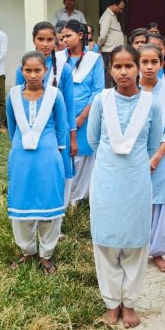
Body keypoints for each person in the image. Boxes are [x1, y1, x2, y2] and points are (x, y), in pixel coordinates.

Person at [87, 45, 162, 328]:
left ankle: (129, 303)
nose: (123, 72)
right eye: (117, 67)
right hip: (107, 177)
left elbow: (153, 143)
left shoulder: (150, 103)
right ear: (110, 71)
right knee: (106, 241)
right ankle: (111, 302)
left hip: (135, 179)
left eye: (129, 66)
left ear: (138, 68)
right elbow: (94, 139)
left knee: (134, 242)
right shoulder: (101, 100)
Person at [7, 52, 68, 275]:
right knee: (21, 203)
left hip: (48, 156)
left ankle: (46, 254)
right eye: (28, 70)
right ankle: (27, 250)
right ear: (21, 71)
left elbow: (62, 126)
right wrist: (16, 148)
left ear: (45, 71)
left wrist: (60, 154)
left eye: (37, 70)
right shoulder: (13, 95)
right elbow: (12, 126)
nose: (33, 75)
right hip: (22, 157)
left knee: (48, 206)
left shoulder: (54, 95)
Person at [17, 22, 78, 182]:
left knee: (59, 171)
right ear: (33, 40)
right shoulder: (23, 69)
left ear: (56, 41)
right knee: (35, 171)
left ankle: (60, 205)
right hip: (30, 128)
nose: (45, 44)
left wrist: (72, 138)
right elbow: (18, 104)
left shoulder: (64, 69)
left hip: (58, 128)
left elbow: (70, 106)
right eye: (40, 39)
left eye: (50, 39)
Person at [139, 43, 165, 272]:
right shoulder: (130, 90)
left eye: (154, 62)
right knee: (137, 202)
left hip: (162, 155)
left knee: (163, 202)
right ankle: (136, 248)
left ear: (162, 64)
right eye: (144, 62)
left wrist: (156, 157)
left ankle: (157, 251)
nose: (149, 67)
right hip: (134, 156)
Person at [58, 20, 104, 205]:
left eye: (68, 36)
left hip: (87, 113)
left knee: (85, 155)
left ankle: (78, 197)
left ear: (80, 35)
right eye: (62, 37)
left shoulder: (94, 59)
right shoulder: (59, 58)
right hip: (63, 114)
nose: (65, 40)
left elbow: (97, 89)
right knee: (66, 152)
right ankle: (65, 194)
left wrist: (83, 116)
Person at [98, 0, 126, 86]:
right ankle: (106, 94)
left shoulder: (112, 16)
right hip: (109, 51)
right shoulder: (107, 16)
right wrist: (99, 46)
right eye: (120, 8)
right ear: (114, 5)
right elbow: (102, 36)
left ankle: (115, 91)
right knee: (108, 74)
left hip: (113, 50)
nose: (121, 11)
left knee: (115, 73)